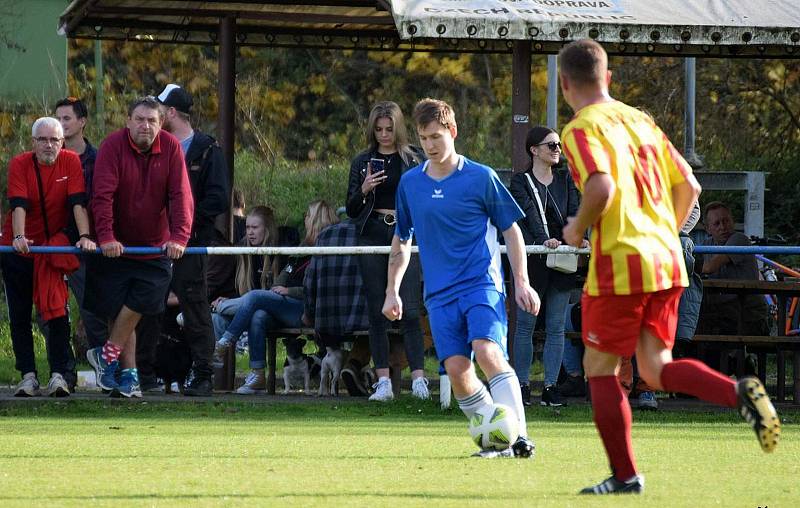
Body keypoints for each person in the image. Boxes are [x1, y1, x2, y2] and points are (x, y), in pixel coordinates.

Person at [558, 39, 780, 495]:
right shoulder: (641, 121)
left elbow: (599, 187)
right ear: (609, 79)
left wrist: (577, 228)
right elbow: (692, 186)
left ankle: (625, 476)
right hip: (668, 261)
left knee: (599, 367)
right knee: (657, 369)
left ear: (564, 84)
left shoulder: (581, 128)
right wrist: (663, 234)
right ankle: (739, 394)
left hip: (620, 263)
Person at [382, 98, 539, 458]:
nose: (430, 146)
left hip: (481, 284)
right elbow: (402, 240)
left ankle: (520, 438)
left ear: (453, 132)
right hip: (439, 294)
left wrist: (522, 281)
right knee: (456, 370)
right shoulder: (410, 184)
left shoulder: (481, 177)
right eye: (423, 139)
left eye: (436, 136)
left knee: (487, 351)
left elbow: (512, 232)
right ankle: (495, 438)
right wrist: (392, 291)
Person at [84, 96, 194, 398]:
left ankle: (104, 356)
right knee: (122, 312)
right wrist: (106, 237)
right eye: (140, 119)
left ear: (161, 124)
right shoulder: (111, 146)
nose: (146, 125)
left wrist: (179, 237)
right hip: (116, 246)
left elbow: (181, 195)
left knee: (140, 304)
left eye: (152, 121)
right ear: (128, 120)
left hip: (154, 246)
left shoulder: (171, 147)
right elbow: (102, 195)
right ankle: (129, 376)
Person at [136, 83, 229, 396]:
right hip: (154, 244)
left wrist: (184, 227)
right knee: (148, 305)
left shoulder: (207, 149)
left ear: (170, 112)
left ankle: (202, 374)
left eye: (159, 111)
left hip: (190, 245)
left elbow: (218, 199)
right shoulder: (151, 146)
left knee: (195, 306)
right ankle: (145, 372)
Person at [1, 117, 97, 397]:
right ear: (33, 143)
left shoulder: (70, 162)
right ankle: (27, 375)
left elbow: (77, 203)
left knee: (56, 313)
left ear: (62, 142)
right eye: (42, 140)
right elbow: (18, 204)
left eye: (54, 139)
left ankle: (58, 374)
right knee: (19, 315)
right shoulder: (20, 163)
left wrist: (85, 236)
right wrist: (19, 238)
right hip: (19, 249)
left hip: (50, 250)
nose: (48, 145)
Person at [346, 101, 429, 401]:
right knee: (376, 310)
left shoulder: (413, 158)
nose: (384, 135)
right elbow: (352, 209)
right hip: (371, 233)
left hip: (405, 232)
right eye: (379, 129)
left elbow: (425, 197)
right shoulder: (362, 161)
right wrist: (364, 188)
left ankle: (419, 379)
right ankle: (383, 381)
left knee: (409, 306)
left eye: (389, 129)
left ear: (399, 128)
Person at [215, 201, 337, 394]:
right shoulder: (302, 248)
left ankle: (224, 336)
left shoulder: (327, 251)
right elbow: (283, 276)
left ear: (316, 220)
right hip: (285, 305)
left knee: (255, 297)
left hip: (305, 309)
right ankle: (258, 376)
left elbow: (320, 289)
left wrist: (289, 291)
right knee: (259, 315)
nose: (304, 219)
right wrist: (276, 290)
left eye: (308, 216)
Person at [509, 125, 587, 407]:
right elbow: (525, 214)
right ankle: (522, 385)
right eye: (551, 145)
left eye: (558, 145)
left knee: (556, 326)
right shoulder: (520, 181)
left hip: (562, 259)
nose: (557, 150)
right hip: (532, 260)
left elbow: (575, 213)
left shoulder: (566, 180)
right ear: (534, 150)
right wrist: (544, 240)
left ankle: (552, 387)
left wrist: (579, 238)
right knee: (526, 326)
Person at [211, 206, 280, 374]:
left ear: (267, 228)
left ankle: (211, 319)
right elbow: (240, 289)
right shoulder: (242, 249)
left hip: (275, 310)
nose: (250, 232)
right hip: (247, 310)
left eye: (255, 228)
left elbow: (277, 293)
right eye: (248, 227)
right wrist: (228, 298)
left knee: (257, 305)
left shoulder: (281, 250)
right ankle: (208, 368)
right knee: (217, 319)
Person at [699, 201, 769, 336]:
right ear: (708, 229)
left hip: (748, 312)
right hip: (725, 310)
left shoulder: (739, 240)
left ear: (732, 221)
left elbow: (709, 267)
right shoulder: (707, 244)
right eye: (717, 223)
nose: (723, 227)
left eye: (726, 221)